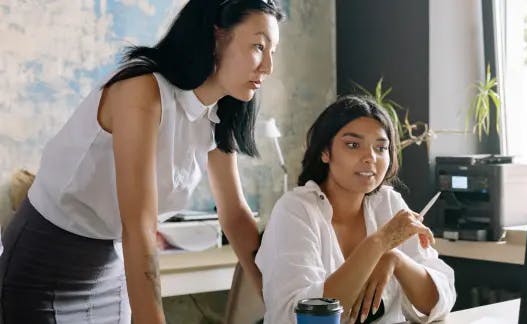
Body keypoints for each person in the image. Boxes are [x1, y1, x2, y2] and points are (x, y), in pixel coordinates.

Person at [0, 0, 284, 323]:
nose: (268, 68)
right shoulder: (142, 89)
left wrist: (279, 302)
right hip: (46, 260)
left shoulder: (219, 112)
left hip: (111, 265)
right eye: (259, 47)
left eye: (273, 51)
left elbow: (234, 215)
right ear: (217, 35)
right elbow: (138, 225)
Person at [256, 96, 457, 323]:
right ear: (325, 152)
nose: (370, 158)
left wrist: (395, 259)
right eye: (353, 145)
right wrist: (379, 243)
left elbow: (439, 302)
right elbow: (297, 317)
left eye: (381, 148)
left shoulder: (389, 203)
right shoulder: (295, 210)